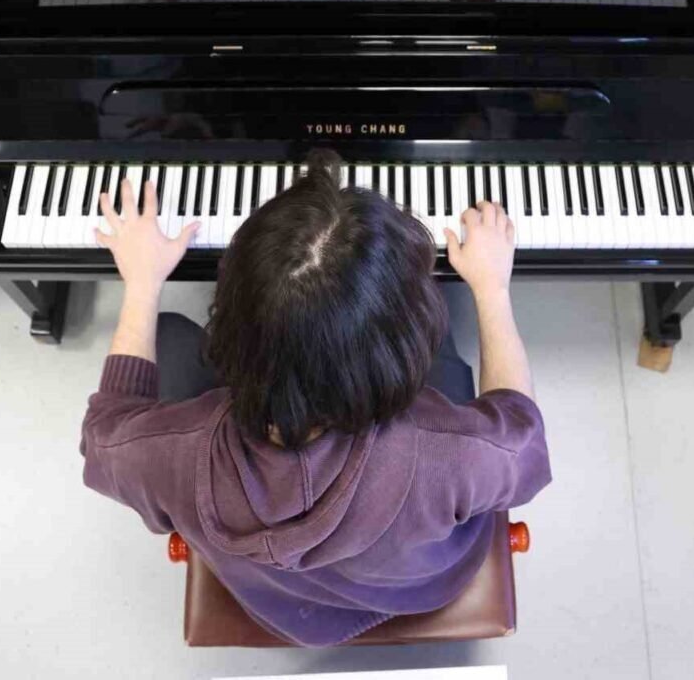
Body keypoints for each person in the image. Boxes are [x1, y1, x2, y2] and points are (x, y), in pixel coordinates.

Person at [81, 151, 550, 647]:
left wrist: (142, 284)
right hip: (420, 586)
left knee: (166, 333)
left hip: (284, 607)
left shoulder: (174, 452)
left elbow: (102, 438)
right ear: (405, 351)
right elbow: (524, 437)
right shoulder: (452, 452)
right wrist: (492, 290)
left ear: (230, 322)